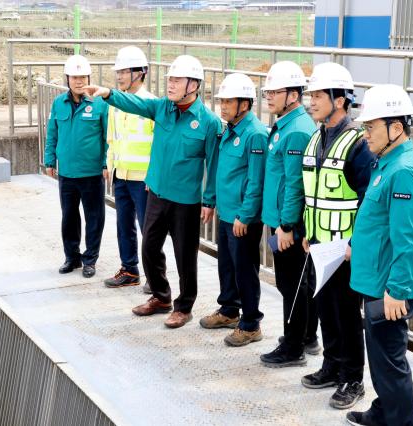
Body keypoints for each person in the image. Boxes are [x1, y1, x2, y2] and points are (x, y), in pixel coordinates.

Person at [84, 55, 221, 329]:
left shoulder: (208, 122)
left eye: (177, 80)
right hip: (156, 192)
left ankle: (184, 307)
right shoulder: (162, 109)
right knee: (149, 247)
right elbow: (135, 103)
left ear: (193, 85)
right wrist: (108, 93)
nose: (170, 85)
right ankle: (161, 297)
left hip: (186, 200)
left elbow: (214, 164)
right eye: (169, 79)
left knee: (185, 256)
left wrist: (209, 200)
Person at [346, 84, 413, 426]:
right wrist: (356, 243)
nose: (365, 134)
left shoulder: (403, 172)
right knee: (380, 363)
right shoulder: (386, 162)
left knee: (392, 366)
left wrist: (396, 290)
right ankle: (384, 413)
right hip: (376, 281)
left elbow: (406, 240)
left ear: (396, 128)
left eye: (371, 127)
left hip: (389, 288)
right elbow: (376, 218)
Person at [299, 62, 374, 410]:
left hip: (343, 249)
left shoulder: (357, 145)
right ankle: (331, 366)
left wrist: (354, 244)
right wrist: (307, 233)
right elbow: (311, 192)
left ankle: (352, 378)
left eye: (317, 95)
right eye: (310, 95)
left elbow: (367, 199)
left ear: (340, 100)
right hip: (319, 244)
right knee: (325, 309)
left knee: (346, 313)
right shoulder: (317, 137)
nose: (310, 101)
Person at [257, 61, 319, 367]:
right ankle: (306, 336)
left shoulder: (296, 131)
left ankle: (293, 348)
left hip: (287, 223)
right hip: (282, 218)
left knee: (291, 285)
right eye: (267, 91)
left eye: (275, 92)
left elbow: (295, 184)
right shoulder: (288, 125)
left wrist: (286, 226)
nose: (268, 97)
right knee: (300, 283)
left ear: (293, 95)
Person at [198, 73, 266, 347]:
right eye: (221, 101)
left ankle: (250, 324)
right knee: (226, 266)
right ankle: (229, 310)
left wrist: (245, 215)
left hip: (241, 218)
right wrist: (210, 201)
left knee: (245, 270)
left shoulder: (255, 134)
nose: (223, 106)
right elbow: (220, 171)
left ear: (245, 104)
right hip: (227, 214)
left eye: (229, 101)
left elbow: (256, 181)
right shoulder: (229, 129)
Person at [44, 54, 108, 278]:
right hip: (67, 173)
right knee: (69, 217)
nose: (79, 81)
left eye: (83, 77)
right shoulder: (58, 103)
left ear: (89, 78)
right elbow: (52, 133)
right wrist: (49, 160)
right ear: (67, 79)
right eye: (74, 77)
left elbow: (108, 136)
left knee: (94, 217)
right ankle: (72, 257)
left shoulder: (100, 103)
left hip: (91, 172)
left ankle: (90, 259)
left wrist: (106, 163)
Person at [102, 46, 156, 293]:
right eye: (119, 71)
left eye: (124, 71)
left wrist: (153, 177)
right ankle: (129, 270)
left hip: (143, 180)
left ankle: (155, 277)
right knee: (124, 226)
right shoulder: (115, 104)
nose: (120, 76)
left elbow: (159, 147)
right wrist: (109, 164)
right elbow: (112, 138)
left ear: (140, 73)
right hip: (120, 175)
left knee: (149, 231)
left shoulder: (151, 104)